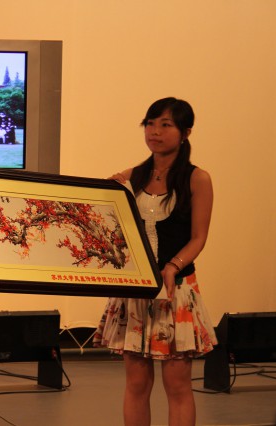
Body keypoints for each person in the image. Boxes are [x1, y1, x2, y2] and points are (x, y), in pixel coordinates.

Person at [93, 97, 217, 426]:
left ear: (185, 132)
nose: (155, 132)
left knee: (177, 385)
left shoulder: (198, 179)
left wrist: (173, 266)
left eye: (165, 124)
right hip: (135, 291)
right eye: (150, 124)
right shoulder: (131, 176)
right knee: (136, 384)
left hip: (176, 292)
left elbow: (199, 237)